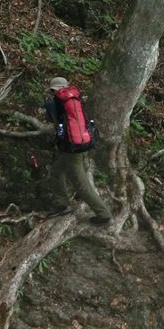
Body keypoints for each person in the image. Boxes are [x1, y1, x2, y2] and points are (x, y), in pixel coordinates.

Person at [44, 77, 112, 225]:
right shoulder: (77, 98)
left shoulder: (54, 103)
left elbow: (51, 118)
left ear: (53, 90)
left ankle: (104, 215)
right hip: (83, 143)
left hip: (71, 149)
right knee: (56, 172)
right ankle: (63, 204)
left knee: (81, 184)